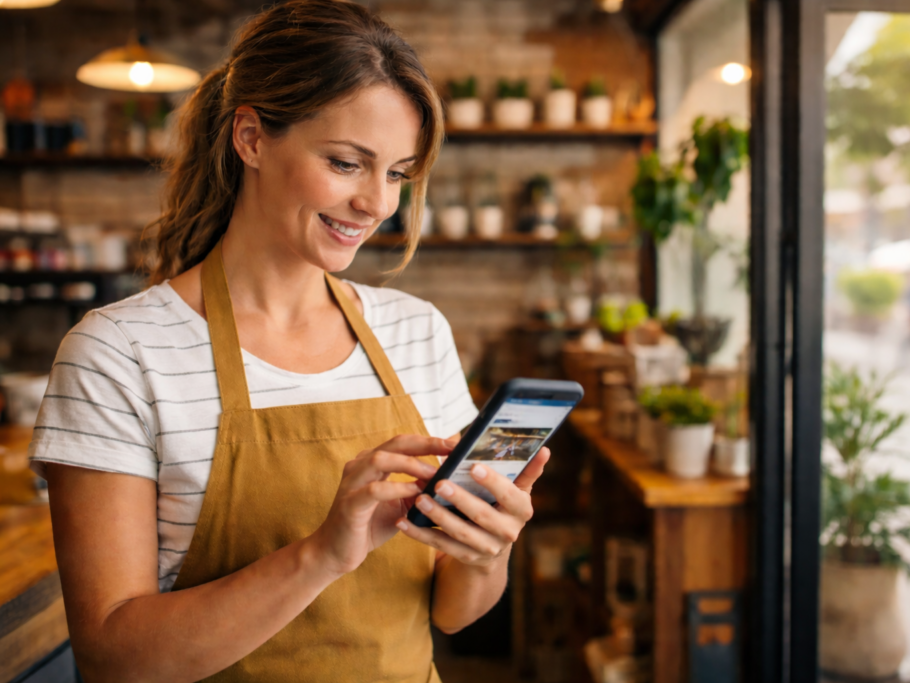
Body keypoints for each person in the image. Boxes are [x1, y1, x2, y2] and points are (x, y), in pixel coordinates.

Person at [27, 2, 549, 681]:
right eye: (345, 162)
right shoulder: (119, 353)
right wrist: (324, 552)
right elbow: (113, 659)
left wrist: (486, 552)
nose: (377, 203)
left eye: (396, 172)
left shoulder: (416, 331)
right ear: (251, 138)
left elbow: (452, 611)